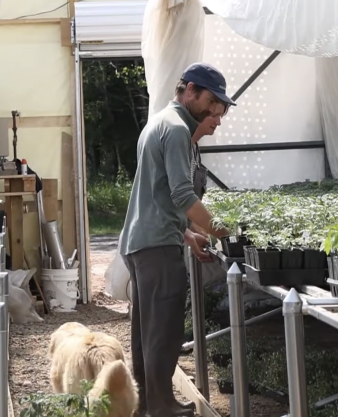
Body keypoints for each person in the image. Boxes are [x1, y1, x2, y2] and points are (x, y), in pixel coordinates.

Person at [120, 62, 235, 417]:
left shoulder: (160, 122)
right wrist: (222, 230)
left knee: (146, 332)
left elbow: (156, 196)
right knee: (165, 331)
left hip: (145, 241)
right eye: (211, 102)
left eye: (220, 106)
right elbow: (183, 194)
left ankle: (144, 404)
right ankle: (162, 406)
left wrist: (187, 234)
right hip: (156, 248)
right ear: (188, 90)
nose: (215, 112)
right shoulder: (176, 130)